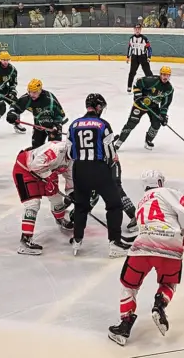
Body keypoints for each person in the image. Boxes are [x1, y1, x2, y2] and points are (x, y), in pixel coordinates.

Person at [108, 170, 184, 346]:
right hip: (171, 246)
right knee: (168, 282)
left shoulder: (142, 202)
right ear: (160, 182)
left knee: (129, 285)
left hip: (142, 246)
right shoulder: (169, 192)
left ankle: (125, 325)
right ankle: (160, 304)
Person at [68, 93, 130, 258]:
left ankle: (77, 239)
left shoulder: (74, 124)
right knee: (114, 205)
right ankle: (115, 243)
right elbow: (110, 153)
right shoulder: (103, 125)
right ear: (98, 107)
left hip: (79, 169)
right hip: (99, 169)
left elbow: (69, 152)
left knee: (81, 206)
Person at [12, 140, 75, 255]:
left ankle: (60, 219)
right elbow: (34, 165)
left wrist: (72, 194)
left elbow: (70, 178)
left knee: (56, 196)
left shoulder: (73, 158)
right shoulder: (56, 149)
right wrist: (49, 177)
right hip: (24, 170)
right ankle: (25, 241)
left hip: (45, 172)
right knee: (33, 204)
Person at [114, 66, 174, 151]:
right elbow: (137, 82)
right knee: (131, 123)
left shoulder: (169, 89)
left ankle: (148, 140)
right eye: (164, 74)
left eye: (167, 75)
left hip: (153, 106)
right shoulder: (152, 80)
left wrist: (163, 115)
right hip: (140, 104)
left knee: (157, 124)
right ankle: (119, 141)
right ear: (160, 74)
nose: (165, 77)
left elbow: (165, 104)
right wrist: (138, 95)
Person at [7, 79, 66, 148]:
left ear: (40, 90)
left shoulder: (50, 99)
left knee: (54, 147)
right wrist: (11, 113)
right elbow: (15, 107)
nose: (32, 94)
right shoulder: (27, 98)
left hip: (53, 126)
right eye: (30, 91)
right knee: (36, 147)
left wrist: (57, 126)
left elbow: (60, 114)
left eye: (34, 92)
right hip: (39, 125)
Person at [126, 24, 153, 92]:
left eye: (139, 29)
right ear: (134, 29)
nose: (137, 30)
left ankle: (152, 85)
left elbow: (149, 48)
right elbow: (130, 48)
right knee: (132, 73)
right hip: (134, 57)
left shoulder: (144, 38)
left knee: (148, 72)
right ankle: (129, 87)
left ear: (141, 30)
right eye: (136, 29)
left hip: (143, 57)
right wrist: (128, 56)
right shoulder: (131, 38)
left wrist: (149, 57)